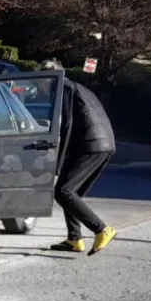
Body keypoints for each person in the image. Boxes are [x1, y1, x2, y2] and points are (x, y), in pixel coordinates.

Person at [39, 59, 117, 255]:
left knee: (63, 191)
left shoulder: (63, 89)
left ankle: (101, 229)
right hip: (104, 143)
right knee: (72, 193)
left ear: (49, 77)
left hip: (90, 145)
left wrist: (57, 165)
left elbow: (67, 126)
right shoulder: (78, 87)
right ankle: (74, 239)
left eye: (41, 81)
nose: (41, 87)